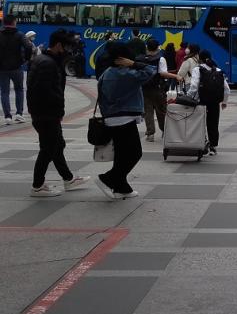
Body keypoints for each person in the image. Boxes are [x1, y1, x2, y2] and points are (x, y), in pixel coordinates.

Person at [26, 29, 91, 197]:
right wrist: (56, 111)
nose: (70, 51)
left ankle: (68, 179)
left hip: (45, 113)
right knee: (48, 149)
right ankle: (37, 186)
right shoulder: (47, 63)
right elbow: (44, 92)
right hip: (46, 114)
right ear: (58, 45)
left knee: (57, 146)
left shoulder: (47, 61)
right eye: (68, 47)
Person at [94, 42, 156, 200]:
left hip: (111, 118)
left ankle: (122, 187)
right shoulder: (126, 74)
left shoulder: (107, 72)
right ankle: (108, 178)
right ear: (124, 57)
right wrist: (134, 64)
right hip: (124, 118)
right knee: (135, 153)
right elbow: (151, 71)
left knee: (122, 154)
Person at [187, 50, 230, 156]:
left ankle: (203, 144)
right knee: (213, 124)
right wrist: (224, 101)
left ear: (200, 59)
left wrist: (189, 97)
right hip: (214, 102)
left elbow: (193, 86)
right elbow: (227, 89)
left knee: (200, 124)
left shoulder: (198, 69)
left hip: (201, 101)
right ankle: (213, 147)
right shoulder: (218, 70)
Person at [139, 39, 181, 142]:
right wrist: (176, 76)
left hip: (144, 88)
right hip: (157, 88)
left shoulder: (141, 58)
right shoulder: (160, 59)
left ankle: (150, 134)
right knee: (161, 111)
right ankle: (164, 130)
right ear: (158, 47)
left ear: (147, 47)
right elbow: (163, 73)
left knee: (148, 111)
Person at [0, 16, 34, 125]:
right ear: (14, 22)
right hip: (16, 67)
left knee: (4, 92)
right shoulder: (19, 34)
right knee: (19, 89)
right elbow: (29, 46)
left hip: (2, 68)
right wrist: (26, 59)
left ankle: (7, 116)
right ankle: (19, 113)